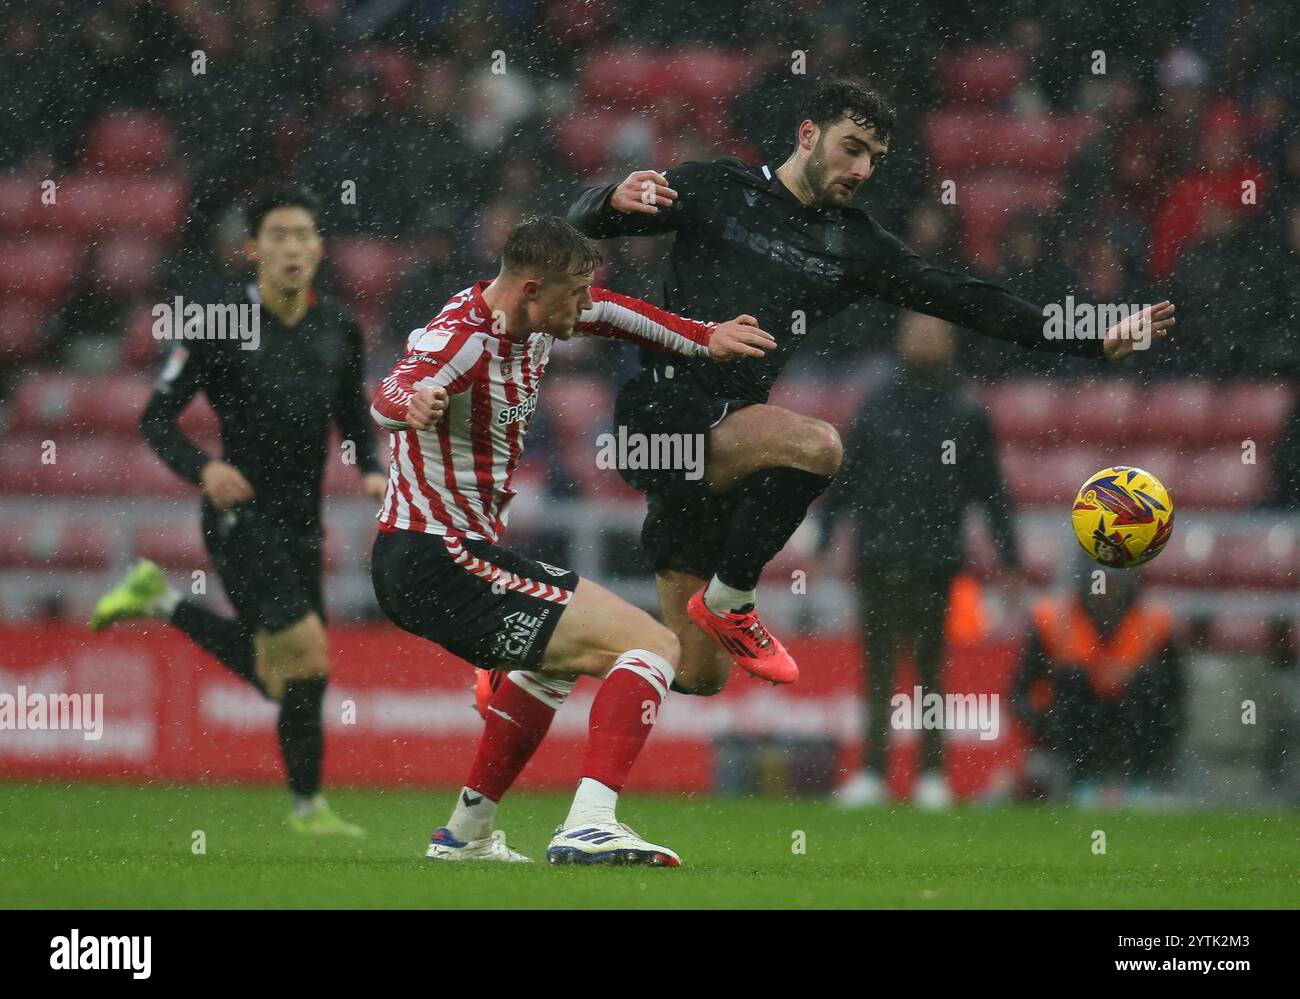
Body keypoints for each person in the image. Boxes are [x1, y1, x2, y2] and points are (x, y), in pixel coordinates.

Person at [568, 77, 1174, 695]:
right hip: (661, 419)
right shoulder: (721, 187)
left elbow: (967, 301)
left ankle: (550, 647)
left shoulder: (853, 245)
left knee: (697, 674)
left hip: (732, 444)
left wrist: (1090, 335)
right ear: (808, 135)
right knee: (818, 445)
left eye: (875, 159)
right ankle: (732, 597)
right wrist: (608, 197)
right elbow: (578, 223)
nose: (861, 169)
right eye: (851, 147)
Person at [368, 215, 773, 866]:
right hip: (436, 555)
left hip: (438, 558)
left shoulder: (537, 313)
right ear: (532, 288)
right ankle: (590, 822)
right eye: (574, 294)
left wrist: (705, 338)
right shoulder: (464, 338)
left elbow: (616, 312)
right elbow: (395, 386)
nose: (584, 307)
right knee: (654, 643)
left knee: (550, 666)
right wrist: (409, 402)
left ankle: (464, 835)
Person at [89, 185, 386, 836]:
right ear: (252, 249)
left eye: (304, 235)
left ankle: (309, 809)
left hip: (304, 520)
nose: (292, 248)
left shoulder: (338, 324)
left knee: (294, 678)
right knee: (305, 653)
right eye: (278, 235)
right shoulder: (218, 323)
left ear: (319, 249)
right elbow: (156, 418)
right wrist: (206, 469)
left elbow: (353, 414)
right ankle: (307, 806)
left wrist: (371, 470)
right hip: (239, 516)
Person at [825, 312, 1025, 809]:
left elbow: (991, 491)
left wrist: (1011, 559)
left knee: (932, 670)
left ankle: (931, 774)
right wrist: (825, 537)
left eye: (934, 332)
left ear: (951, 342)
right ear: (900, 339)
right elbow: (846, 477)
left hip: (937, 559)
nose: (924, 340)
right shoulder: (875, 407)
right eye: (917, 331)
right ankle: (873, 772)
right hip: (877, 554)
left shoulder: (966, 412)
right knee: (877, 667)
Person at [1011, 555, 1184, 805]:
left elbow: (1174, 689)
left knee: (1150, 687)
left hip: (1133, 713)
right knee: (1071, 681)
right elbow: (1020, 692)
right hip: (1074, 714)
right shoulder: (1052, 619)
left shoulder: (1153, 621)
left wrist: (1131, 677)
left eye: (1113, 583)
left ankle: (1140, 780)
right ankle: (1080, 779)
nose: (1107, 593)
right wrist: (1043, 714)